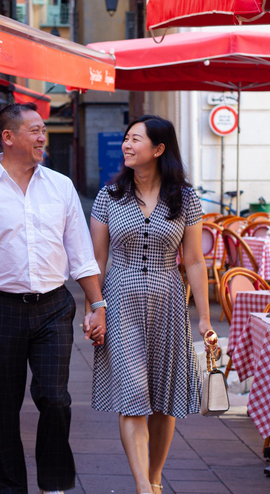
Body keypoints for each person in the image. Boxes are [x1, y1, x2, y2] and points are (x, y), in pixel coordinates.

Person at [0, 102, 107, 494]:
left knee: (54, 398)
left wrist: (98, 305)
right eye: (35, 130)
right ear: (8, 137)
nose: (43, 137)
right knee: (3, 408)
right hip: (0, 308)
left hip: (54, 307)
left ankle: (53, 484)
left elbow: (81, 255)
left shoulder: (60, 186)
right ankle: (8, 488)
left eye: (43, 131)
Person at [86, 115, 215, 494]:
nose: (126, 145)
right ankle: (143, 486)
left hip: (169, 303)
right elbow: (96, 260)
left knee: (164, 400)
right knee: (133, 395)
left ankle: (155, 480)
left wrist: (204, 318)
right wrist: (95, 306)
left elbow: (193, 260)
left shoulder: (186, 199)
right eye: (126, 138)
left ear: (158, 149)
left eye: (135, 140)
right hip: (121, 301)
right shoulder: (108, 196)